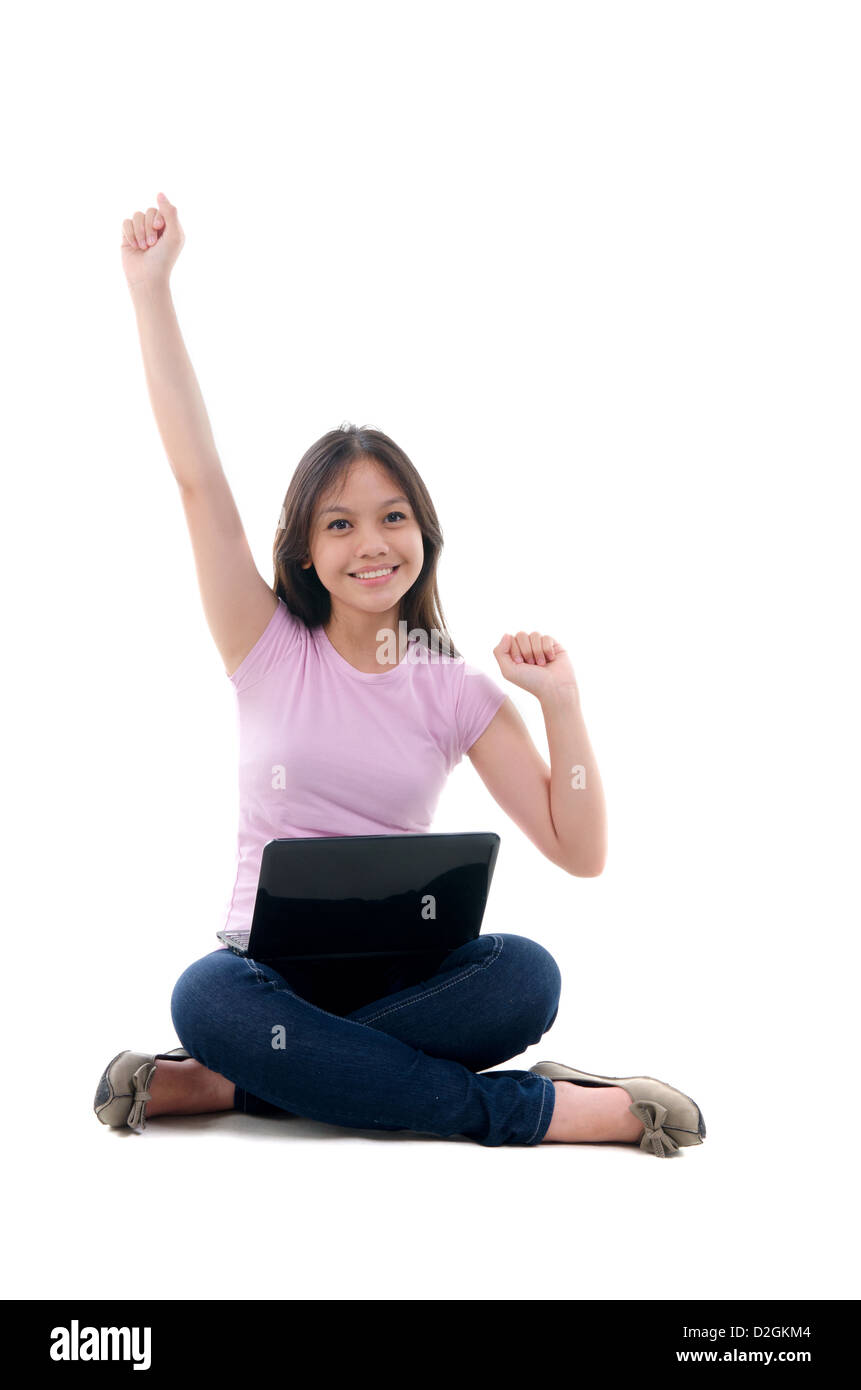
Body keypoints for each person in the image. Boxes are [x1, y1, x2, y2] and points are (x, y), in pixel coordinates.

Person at [94, 193, 706, 1156]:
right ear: (302, 548)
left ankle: (237, 1079)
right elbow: (197, 478)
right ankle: (544, 1112)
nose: (370, 545)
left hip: (411, 983)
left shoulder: (453, 688)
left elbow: (578, 850)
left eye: (391, 517)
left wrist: (563, 706)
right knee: (204, 996)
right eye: (339, 523)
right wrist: (149, 291)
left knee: (526, 974)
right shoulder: (265, 643)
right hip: (267, 981)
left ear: (423, 532)